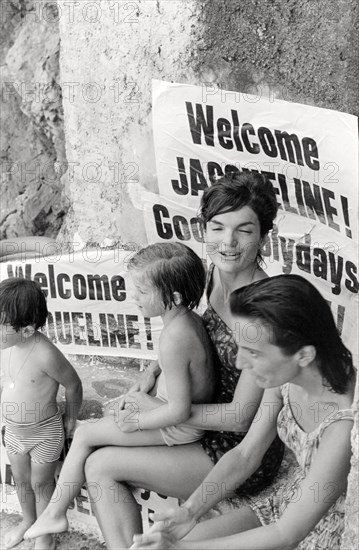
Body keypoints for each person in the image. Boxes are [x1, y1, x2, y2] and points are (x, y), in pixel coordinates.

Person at [77, 172, 284, 550]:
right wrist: (154, 369)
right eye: (217, 227)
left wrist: (162, 410)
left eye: (245, 231)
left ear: (264, 237)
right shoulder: (215, 274)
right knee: (92, 449)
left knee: (101, 465)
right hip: (194, 421)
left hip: (227, 448)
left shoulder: (262, 315)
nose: (228, 243)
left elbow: (241, 417)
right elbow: (192, 331)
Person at [132, 275, 355, 550]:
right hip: (287, 502)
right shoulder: (285, 378)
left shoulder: (345, 423)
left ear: (304, 355)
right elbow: (245, 454)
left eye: (254, 353)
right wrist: (190, 511)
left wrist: (181, 548)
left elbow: (288, 533)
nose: (239, 362)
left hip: (327, 531)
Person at [24, 242, 216, 540]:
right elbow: (179, 364)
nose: (132, 296)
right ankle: (55, 514)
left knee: (86, 434)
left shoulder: (175, 337)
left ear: (174, 297)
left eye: (142, 291)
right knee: (95, 436)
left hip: (177, 429)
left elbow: (179, 410)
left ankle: (54, 513)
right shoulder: (186, 320)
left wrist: (138, 418)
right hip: (168, 416)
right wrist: (151, 372)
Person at [0, 278, 83, 550]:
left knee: (41, 484)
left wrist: (71, 419)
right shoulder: (6, 346)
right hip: (13, 431)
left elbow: (73, 384)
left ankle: (45, 533)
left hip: (43, 433)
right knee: (21, 480)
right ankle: (28, 521)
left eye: (1, 325)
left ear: (27, 330)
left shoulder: (45, 354)